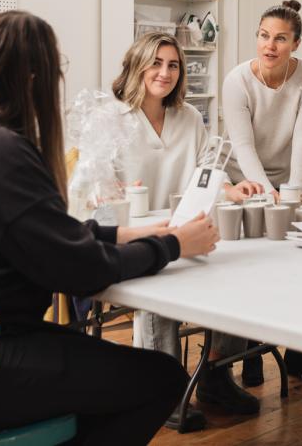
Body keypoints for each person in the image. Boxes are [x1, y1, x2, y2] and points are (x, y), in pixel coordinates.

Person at [0, 11, 219, 446]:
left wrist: (127, 234)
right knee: (161, 378)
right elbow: (82, 271)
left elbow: (44, 232)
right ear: (32, 75)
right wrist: (172, 244)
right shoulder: (2, 152)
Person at [112, 32, 263, 429]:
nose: (165, 72)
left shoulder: (190, 117)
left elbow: (207, 170)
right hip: (136, 235)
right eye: (156, 63)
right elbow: (97, 189)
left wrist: (233, 188)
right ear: (137, 65)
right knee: (159, 287)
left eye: (173, 65)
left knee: (234, 270)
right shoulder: (113, 119)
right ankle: (164, 389)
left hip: (186, 230)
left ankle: (215, 374)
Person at [223, 0, 302, 386]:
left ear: (296, 44)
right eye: (264, 36)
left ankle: (299, 354)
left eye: (280, 39)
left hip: (290, 182)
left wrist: (292, 193)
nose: (269, 46)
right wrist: (265, 194)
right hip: (244, 181)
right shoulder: (237, 80)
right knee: (254, 267)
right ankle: (250, 356)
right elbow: (243, 145)